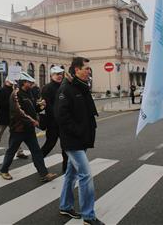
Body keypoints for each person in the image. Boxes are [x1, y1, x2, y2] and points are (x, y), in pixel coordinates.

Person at [55, 57, 104, 225]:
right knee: (86, 175)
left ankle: (65, 205)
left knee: (71, 174)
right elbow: (62, 117)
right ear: (76, 70)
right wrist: (79, 131)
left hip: (81, 139)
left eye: (89, 69)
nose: (89, 71)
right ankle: (88, 217)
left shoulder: (81, 87)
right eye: (86, 68)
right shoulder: (66, 89)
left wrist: (86, 132)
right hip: (73, 141)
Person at [0, 71, 57, 182]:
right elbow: (19, 112)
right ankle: (3, 170)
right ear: (23, 82)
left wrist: (41, 106)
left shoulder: (29, 92)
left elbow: (33, 108)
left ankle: (44, 174)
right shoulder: (15, 94)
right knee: (11, 151)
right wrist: (34, 122)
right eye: (29, 82)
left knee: (36, 152)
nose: (31, 84)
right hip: (18, 129)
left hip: (29, 129)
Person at [0, 77, 27, 159]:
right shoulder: (2, 90)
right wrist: (11, 104)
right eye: (10, 81)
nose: (11, 83)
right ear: (6, 81)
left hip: (13, 116)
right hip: (4, 116)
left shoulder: (14, 90)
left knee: (16, 134)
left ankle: (19, 151)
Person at [40, 66, 68, 173]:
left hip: (64, 123)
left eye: (61, 73)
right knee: (50, 144)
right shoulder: (47, 88)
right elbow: (48, 106)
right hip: (53, 123)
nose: (59, 76)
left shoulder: (65, 86)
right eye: (57, 74)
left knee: (66, 146)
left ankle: (66, 169)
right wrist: (58, 116)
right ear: (51, 76)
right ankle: (38, 160)